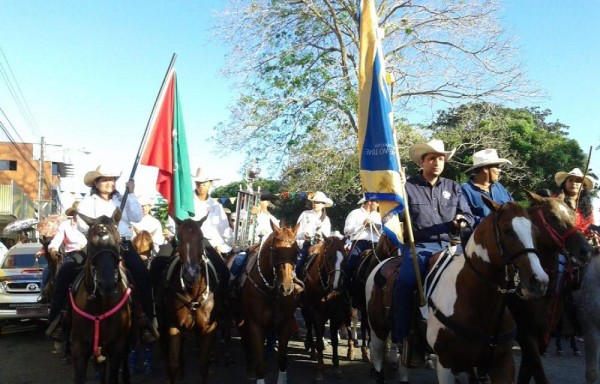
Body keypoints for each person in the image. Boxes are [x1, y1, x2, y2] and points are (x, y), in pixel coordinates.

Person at [45, 165, 159, 343]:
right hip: (96, 246)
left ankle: (147, 321)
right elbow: (83, 226)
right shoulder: (88, 202)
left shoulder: (124, 198)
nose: (109, 183)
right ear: (96, 183)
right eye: (104, 179)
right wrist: (100, 227)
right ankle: (57, 320)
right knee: (65, 271)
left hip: (122, 244)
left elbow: (137, 217)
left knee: (143, 275)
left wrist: (132, 194)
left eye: (112, 179)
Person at [393, 139, 474, 360]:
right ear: (422, 162)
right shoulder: (408, 186)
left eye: (440, 158)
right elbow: (396, 215)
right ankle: (403, 337)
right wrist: (397, 191)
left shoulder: (453, 186)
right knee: (405, 283)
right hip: (419, 247)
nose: (437, 162)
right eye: (432, 159)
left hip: (451, 247)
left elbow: (467, 215)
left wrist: (462, 220)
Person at [191, 167, 232, 294]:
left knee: (224, 272)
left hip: (209, 245)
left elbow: (224, 229)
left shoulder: (217, 206)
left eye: (204, 182)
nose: (201, 184)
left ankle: (224, 304)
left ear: (210, 184)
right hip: (188, 242)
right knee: (159, 263)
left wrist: (233, 245)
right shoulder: (186, 202)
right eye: (198, 182)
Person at [40, 202, 87, 299]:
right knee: (60, 274)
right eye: (78, 213)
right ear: (73, 213)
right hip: (72, 255)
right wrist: (53, 249)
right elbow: (56, 240)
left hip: (90, 254)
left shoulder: (90, 225)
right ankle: (57, 303)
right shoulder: (65, 225)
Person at [461, 148, 513, 228]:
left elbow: (513, 208)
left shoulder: (499, 187)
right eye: (497, 167)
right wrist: (496, 222)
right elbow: (466, 218)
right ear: (485, 169)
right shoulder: (465, 190)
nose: (500, 170)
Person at [295, 191, 333, 276]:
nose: (316, 204)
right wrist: (304, 235)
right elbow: (296, 232)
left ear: (323, 204)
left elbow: (327, 236)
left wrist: (321, 237)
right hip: (306, 244)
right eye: (314, 202)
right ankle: (296, 283)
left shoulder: (326, 219)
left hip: (321, 246)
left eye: (318, 202)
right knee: (298, 264)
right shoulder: (305, 214)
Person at [344, 195, 381, 281]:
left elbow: (383, 231)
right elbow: (347, 230)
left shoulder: (379, 215)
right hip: (359, 243)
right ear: (369, 202)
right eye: (377, 203)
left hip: (377, 244)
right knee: (350, 264)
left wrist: (376, 227)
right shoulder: (354, 213)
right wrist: (363, 225)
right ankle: (344, 289)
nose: (378, 205)